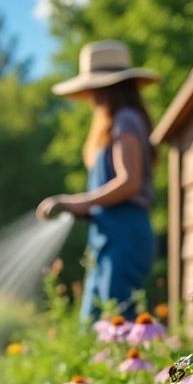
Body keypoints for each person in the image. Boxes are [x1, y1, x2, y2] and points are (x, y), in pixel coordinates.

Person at [37, 40, 158, 323]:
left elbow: (129, 183)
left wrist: (73, 201)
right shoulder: (118, 121)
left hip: (125, 233)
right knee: (95, 324)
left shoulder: (125, 120)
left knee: (116, 322)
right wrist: (76, 210)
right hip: (108, 235)